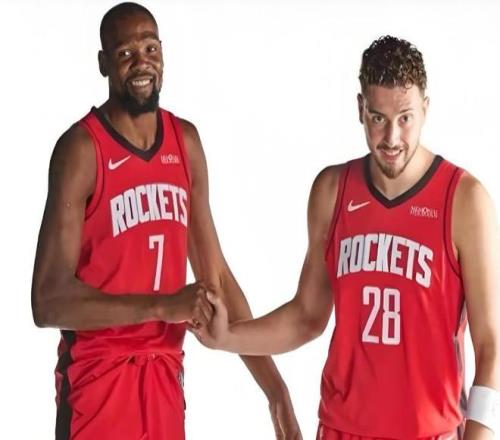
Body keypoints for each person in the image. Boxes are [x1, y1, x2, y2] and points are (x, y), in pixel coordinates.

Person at [195, 36, 500, 439]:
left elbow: (490, 346)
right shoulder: (332, 190)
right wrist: (227, 337)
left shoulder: (463, 200)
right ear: (360, 109)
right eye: (378, 118)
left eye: (405, 118)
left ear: (426, 109)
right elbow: (307, 316)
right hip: (341, 429)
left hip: (429, 431)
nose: (391, 138)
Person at [31, 3, 301, 439]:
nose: (142, 63)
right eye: (125, 53)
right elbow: (47, 302)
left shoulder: (185, 142)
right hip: (97, 385)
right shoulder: (81, 150)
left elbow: (216, 278)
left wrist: (276, 391)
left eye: (150, 49)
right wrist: (161, 305)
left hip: (164, 382)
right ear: (103, 62)